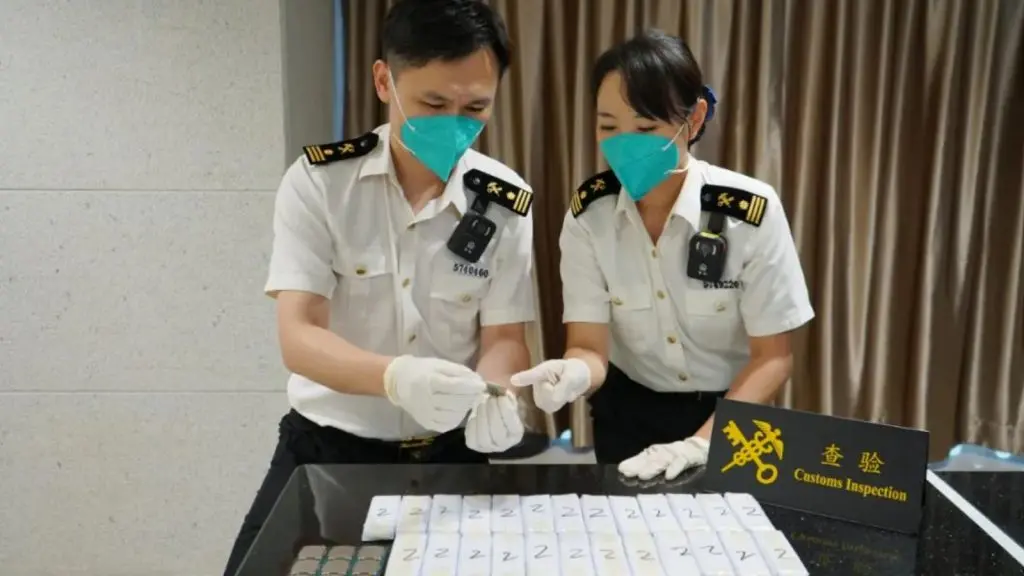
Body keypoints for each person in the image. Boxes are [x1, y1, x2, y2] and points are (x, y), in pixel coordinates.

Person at [222, 1, 535, 573]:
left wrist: (500, 395)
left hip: (452, 458)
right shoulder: (319, 184)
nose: (455, 124)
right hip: (328, 452)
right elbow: (299, 335)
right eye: (434, 103)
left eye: (475, 108)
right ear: (384, 80)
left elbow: (504, 336)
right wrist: (395, 377)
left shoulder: (505, 199)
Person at [511, 30, 814, 482]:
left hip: (732, 413)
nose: (623, 144)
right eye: (608, 126)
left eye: (646, 128)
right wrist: (574, 372)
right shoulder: (589, 216)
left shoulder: (749, 213)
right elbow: (590, 346)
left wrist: (700, 444)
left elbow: (773, 358)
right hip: (628, 416)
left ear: (693, 119)